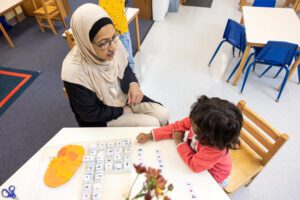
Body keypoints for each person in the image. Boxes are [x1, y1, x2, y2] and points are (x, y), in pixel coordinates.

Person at [61, 4, 169, 127]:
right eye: (103, 43)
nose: (113, 47)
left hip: (125, 98)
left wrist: (133, 84)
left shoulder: (113, 43)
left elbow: (125, 67)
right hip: (104, 116)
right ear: (86, 42)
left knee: (163, 114)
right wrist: (122, 110)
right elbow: (90, 114)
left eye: (113, 37)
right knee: (151, 123)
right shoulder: (73, 72)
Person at [136, 95, 243, 188]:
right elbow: (177, 127)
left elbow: (194, 165)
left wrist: (179, 142)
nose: (190, 122)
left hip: (214, 177)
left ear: (209, 137)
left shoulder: (215, 150)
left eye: (194, 125)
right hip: (199, 161)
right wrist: (151, 135)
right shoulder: (200, 119)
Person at [99, 0, 136, 72]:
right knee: (112, 60)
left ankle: (131, 80)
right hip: (109, 34)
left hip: (121, 31)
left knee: (128, 59)